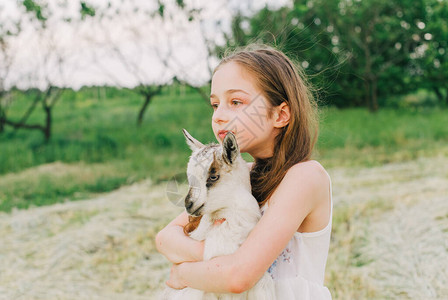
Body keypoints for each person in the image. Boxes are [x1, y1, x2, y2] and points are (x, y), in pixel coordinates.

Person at [155, 44, 333, 299]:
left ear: (280, 115)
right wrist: (211, 252)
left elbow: (238, 276)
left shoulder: (305, 177)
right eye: (215, 105)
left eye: (235, 101)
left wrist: (182, 274)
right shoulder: (235, 176)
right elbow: (165, 239)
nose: (218, 116)